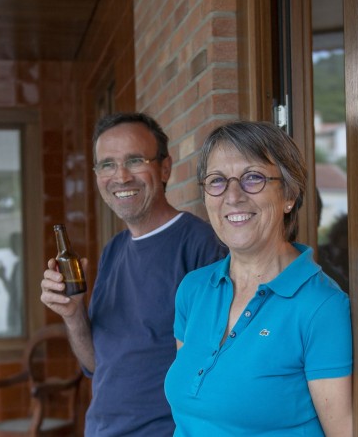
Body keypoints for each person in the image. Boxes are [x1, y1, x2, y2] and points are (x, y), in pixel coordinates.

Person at [40, 112, 226, 436]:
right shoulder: (113, 250)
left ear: (165, 167)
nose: (121, 176)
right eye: (107, 165)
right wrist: (73, 314)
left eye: (135, 160)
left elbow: (219, 369)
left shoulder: (202, 246)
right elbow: (98, 365)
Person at [164, 121, 353, 436]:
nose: (233, 196)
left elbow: (342, 432)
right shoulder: (193, 290)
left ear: (289, 195)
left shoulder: (321, 307)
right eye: (217, 181)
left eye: (253, 178)